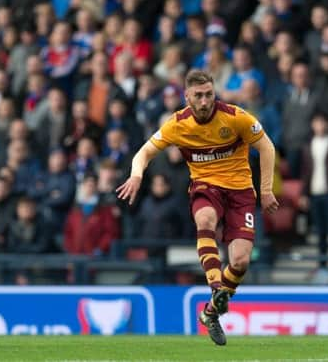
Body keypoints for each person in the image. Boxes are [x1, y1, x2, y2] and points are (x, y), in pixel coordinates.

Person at [117, 69, 279, 346]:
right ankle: (216, 287)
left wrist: (265, 190)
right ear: (187, 97)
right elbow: (144, 152)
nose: (205, 101)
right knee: (205, 220)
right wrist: (136, 175)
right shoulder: (177, 124)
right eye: (198, 96)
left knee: (240, 261)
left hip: (240, 192)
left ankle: (210, 312)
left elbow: (266, 146)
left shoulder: (236, 116)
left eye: (209, 95)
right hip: (206, 185)